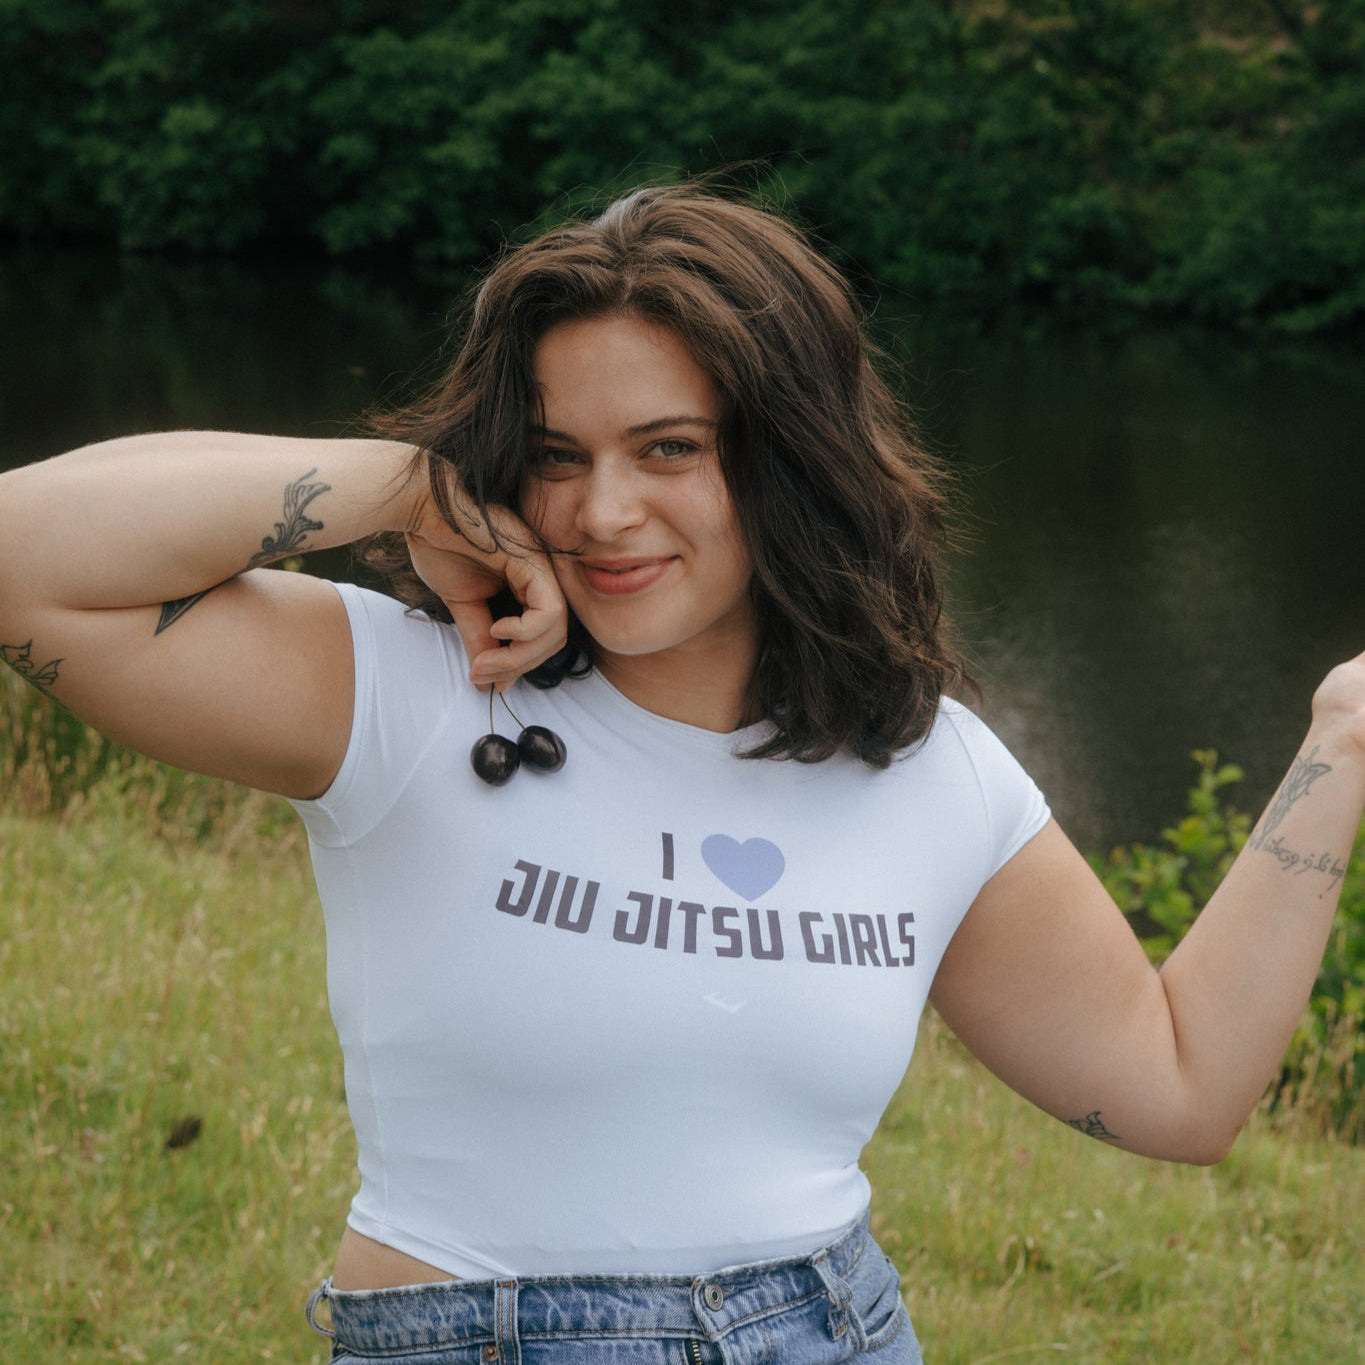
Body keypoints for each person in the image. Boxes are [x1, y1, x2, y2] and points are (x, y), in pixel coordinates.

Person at [1, 184, 1362, 1365]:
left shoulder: (924, 766)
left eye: (670, 448)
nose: (602, 514)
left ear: (788, 461)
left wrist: (1342, 739)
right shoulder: (414, 692)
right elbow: (23, 559)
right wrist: (411, 485)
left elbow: (1179, 1085)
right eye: (555, 456)